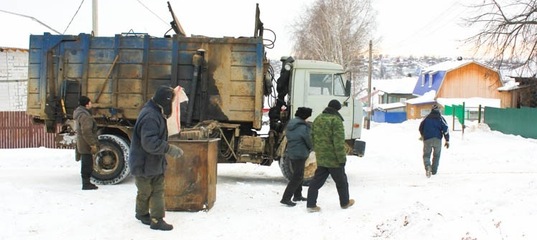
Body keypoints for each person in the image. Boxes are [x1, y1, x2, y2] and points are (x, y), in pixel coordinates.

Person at [128, 86, 184, 231]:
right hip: (145, 163)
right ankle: (157, 220)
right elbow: (149, 143)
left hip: (150, 163)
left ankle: (141, 214)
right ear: (164, 101)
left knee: (147, 190)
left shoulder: (153, 111)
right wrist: (169, 148)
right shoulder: (151, 116)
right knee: (154, 191)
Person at [306, 100, 355, 212]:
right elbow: (338, 142)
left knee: (316, 181)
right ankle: (345, 203)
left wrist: (319, 151)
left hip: (322, 158)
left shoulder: (318, 118)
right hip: (334, 159)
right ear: (337, 109)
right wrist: (342, 158)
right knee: (341, 181)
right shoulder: (336, 121)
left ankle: (311, 204)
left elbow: (312, 137)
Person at [280, 107, 313, 207]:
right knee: (297, 177)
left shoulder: (291, 124)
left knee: (298, 174)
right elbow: (308, 140)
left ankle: (297, 195)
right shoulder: (303, 127)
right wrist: (311, 147)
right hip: (300, 153)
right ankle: (285, 198)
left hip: (292, 152)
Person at [73, 96, 99, 190]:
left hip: (82, 142)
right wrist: (92, 144)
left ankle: (86, 183)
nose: (91, 104)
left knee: (86, 163)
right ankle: (86, 184)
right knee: (87, 164)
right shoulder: (85, 116)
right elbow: (87, 131)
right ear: (87, 104)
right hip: (86, 143)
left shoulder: (79, 113)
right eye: (90, 102)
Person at [419, 104, 450, 178]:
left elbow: (420, 127)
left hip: (427, 140)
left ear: (431, 110)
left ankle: (428, 167)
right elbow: (446, 129)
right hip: (437, 140)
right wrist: (447, 140)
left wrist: (423, 135)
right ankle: (434, 171)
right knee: (436, 155)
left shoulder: (426, 118)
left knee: (426, 155)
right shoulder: (441, 118)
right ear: (438, 110)